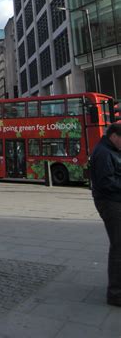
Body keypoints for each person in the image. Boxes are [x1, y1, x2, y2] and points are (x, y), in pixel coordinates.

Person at [90, 122, 121, 307]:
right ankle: (115, 293)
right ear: (114, 136)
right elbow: (106, 183)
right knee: (118, 245)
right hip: (110, 203)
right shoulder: (103, 153)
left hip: (116, 200)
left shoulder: (112, 150)